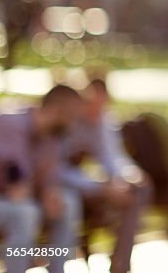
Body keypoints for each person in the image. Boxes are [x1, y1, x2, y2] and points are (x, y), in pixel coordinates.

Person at [59, 78, 153, 273]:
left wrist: (130, 176)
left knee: (137, 189)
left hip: (91, 186)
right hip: (63, 187)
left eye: (101, 106)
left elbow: (112, 157)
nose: (96, 112)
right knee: (120, 202)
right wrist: (101, 187)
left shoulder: (102, 119)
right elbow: (57, 171)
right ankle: (119, 261)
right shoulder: (67, 122)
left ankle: (120, 264)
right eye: (91, 105)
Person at [0, 84, 84, 273]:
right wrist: (43, 194)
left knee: (68, 202)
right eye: (72, 118)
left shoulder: (54, 137)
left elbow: (49, 180)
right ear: (57, 111)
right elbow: (18, 187)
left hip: (13, 199)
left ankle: (58, 269)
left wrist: (51, 193)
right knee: (25, 212)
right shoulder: (9, 125)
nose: (74, 125)